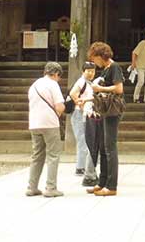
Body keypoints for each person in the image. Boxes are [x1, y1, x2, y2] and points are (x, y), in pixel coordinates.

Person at [88, 41, 124, 197]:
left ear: (101, 56)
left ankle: (111, 185)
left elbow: (119, 88)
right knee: (103, 146)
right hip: (104, 109)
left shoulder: (114, 67)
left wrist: (100, 88)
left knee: (110, 147)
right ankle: (102, 182)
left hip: (112, 110)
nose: (94, 62)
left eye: (94, 58)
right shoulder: (105, 69)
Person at [26, 61, 65, 198]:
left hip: (34, 123)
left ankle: (32, 187)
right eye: (59, 76)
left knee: (37, 155)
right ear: (56, 74)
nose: (59, 79)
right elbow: (59, 106)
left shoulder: (34, 85)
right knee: (53, 155)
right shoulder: (53, 84)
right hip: (49, 123)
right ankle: (50, 187)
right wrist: (60, 112)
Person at [69, 62, 98, 186]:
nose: (91, 73)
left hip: (86, 114)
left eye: (93, 71)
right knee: (82, 140)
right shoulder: (81, 82)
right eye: (88, 71)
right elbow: (72, 93)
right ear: (83, 71)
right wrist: (79, 103)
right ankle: (80, 167)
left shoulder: (91, 83)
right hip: (78, 114)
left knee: (85, 140)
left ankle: (82, 166)